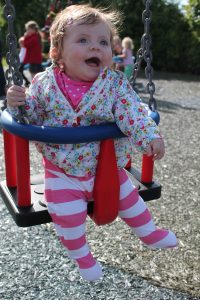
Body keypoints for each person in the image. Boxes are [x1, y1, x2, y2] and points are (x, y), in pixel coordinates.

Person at [6, 4, 178, 282]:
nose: (95, 47)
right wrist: (18, 104)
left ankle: (150, 234)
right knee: (66, 217)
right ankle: (83, 258)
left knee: (132, 203)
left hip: (107, 167)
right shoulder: (43, 83)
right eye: (83, 40)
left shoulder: (114, 85)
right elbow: (32, 114)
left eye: (103, 42)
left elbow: (133, 112)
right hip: (62, 171)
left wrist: (149, 137)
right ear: (57, 52)